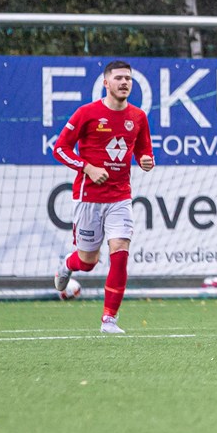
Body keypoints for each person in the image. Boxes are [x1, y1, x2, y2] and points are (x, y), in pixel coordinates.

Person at [52, 60, 154, 334]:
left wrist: (146, 160)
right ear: (106, 83)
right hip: (88, 197)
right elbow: (60, 148)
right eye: (119, 78)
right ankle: (67, 264)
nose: (124, 83)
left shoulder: (138, 117)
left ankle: (109, 319)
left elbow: (144, 150)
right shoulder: (87, 113)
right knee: (88, 261)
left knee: (120, 250)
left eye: (128, 79)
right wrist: (86, 167)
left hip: (120, 197)